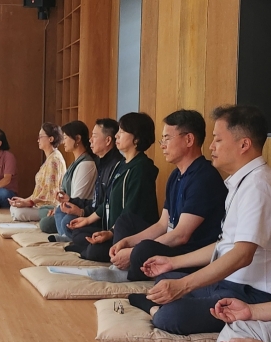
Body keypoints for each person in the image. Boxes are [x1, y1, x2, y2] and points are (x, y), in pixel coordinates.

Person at [128, 105, 271, 336]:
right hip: (231, 283)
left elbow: (241, 255)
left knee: (173, 315)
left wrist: (185, 285)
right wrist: (173, 263)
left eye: (217, 140)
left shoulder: (260, 186)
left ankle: (158, 311)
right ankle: (160, 304)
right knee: (166, 278)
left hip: (256, 294)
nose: (211, 146)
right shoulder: (242, 182)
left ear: (244, 144)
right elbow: (224, 245)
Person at [88, 110, 227, 283]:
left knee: (144, 250)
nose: (162, 145)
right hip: (175, 245)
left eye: (167, 138)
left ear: (189, 140)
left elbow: (181, 235)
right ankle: (124, 267)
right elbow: (163, 224)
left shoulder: (204, 177)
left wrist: (134, 251)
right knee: (126, 224)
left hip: (192, 254)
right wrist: (128, 241)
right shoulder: (176, 176)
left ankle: (128, 272)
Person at [64, 112, 159, 263]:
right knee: (79, 233)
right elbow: (107, 201)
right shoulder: (121, 165)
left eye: (122, 132)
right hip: (112, 230)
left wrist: (111, 232)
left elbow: (131, 211)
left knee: (95, 250)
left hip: (130, 234)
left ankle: (90, 250)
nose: (117, 136)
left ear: (137, 138)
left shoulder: (142, 168)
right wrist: (87, 220)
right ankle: (87, 248)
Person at [39, 120, 98, 234]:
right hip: (65, 207)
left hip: (74, 209)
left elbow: (77, 198)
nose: (63, 142)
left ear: (77, 139)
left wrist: (59, 209)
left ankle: (65, 236)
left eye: (66, 138)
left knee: (46, 223)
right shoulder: (76, 161)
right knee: (43, 211)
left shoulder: (86, 164)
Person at [8, 123, 66, 221]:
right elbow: (41, 190)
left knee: (18, 212)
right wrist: (25, 200)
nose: (38, 140)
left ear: (50, 139)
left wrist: (28, 203)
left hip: (49, 207)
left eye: (40, 136)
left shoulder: (54, 160)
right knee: (14, 208)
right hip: (39, 204)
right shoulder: (50, 158)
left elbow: (50, 193)